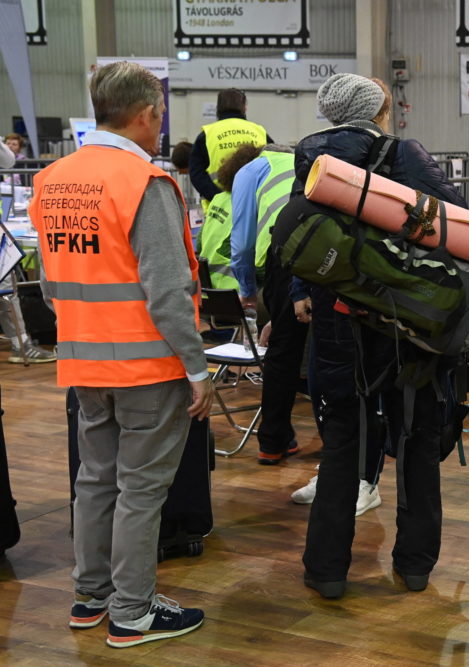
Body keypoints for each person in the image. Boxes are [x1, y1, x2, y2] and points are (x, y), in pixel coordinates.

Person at [27, 61, 212, 648]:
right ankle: (132, 611)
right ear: (148, 115)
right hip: (147, 364)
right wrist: (198, 366)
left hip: (84, 359)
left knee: (96, 479)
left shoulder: (51, 180)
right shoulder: (145, 183)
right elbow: (168, 289)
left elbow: (52, 282)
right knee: (141, 489)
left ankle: (93, 596)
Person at [294, 73, 466, 597]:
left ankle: (327, 570)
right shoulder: (402, 151)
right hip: (402, 321)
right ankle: (415, 564)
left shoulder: (308, 155)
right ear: (378, 110)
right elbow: (453, 218)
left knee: (343, 439)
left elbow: (305, 229)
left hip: (337, 317)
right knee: (414, 435)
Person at [229, 143, 295, 309]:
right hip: (324, 249)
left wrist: (248, 291)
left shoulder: (250, 170)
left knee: (285, 331)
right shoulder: (305, 162)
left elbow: (243, 245)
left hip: (281, 253)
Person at [188, 88, 271, 207]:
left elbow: (196, 174)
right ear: (244, 108)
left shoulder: (207, 135)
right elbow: (272, 166)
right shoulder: (260, 132)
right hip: (254, 206)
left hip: (218, 210)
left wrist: (218, 197)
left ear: (218, 108)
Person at [198, 144, 264, 290]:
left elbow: (200, 244)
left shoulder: (218, 199)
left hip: (208, 290)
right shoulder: (252, 203)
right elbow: (259, 265)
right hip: (237, 293)